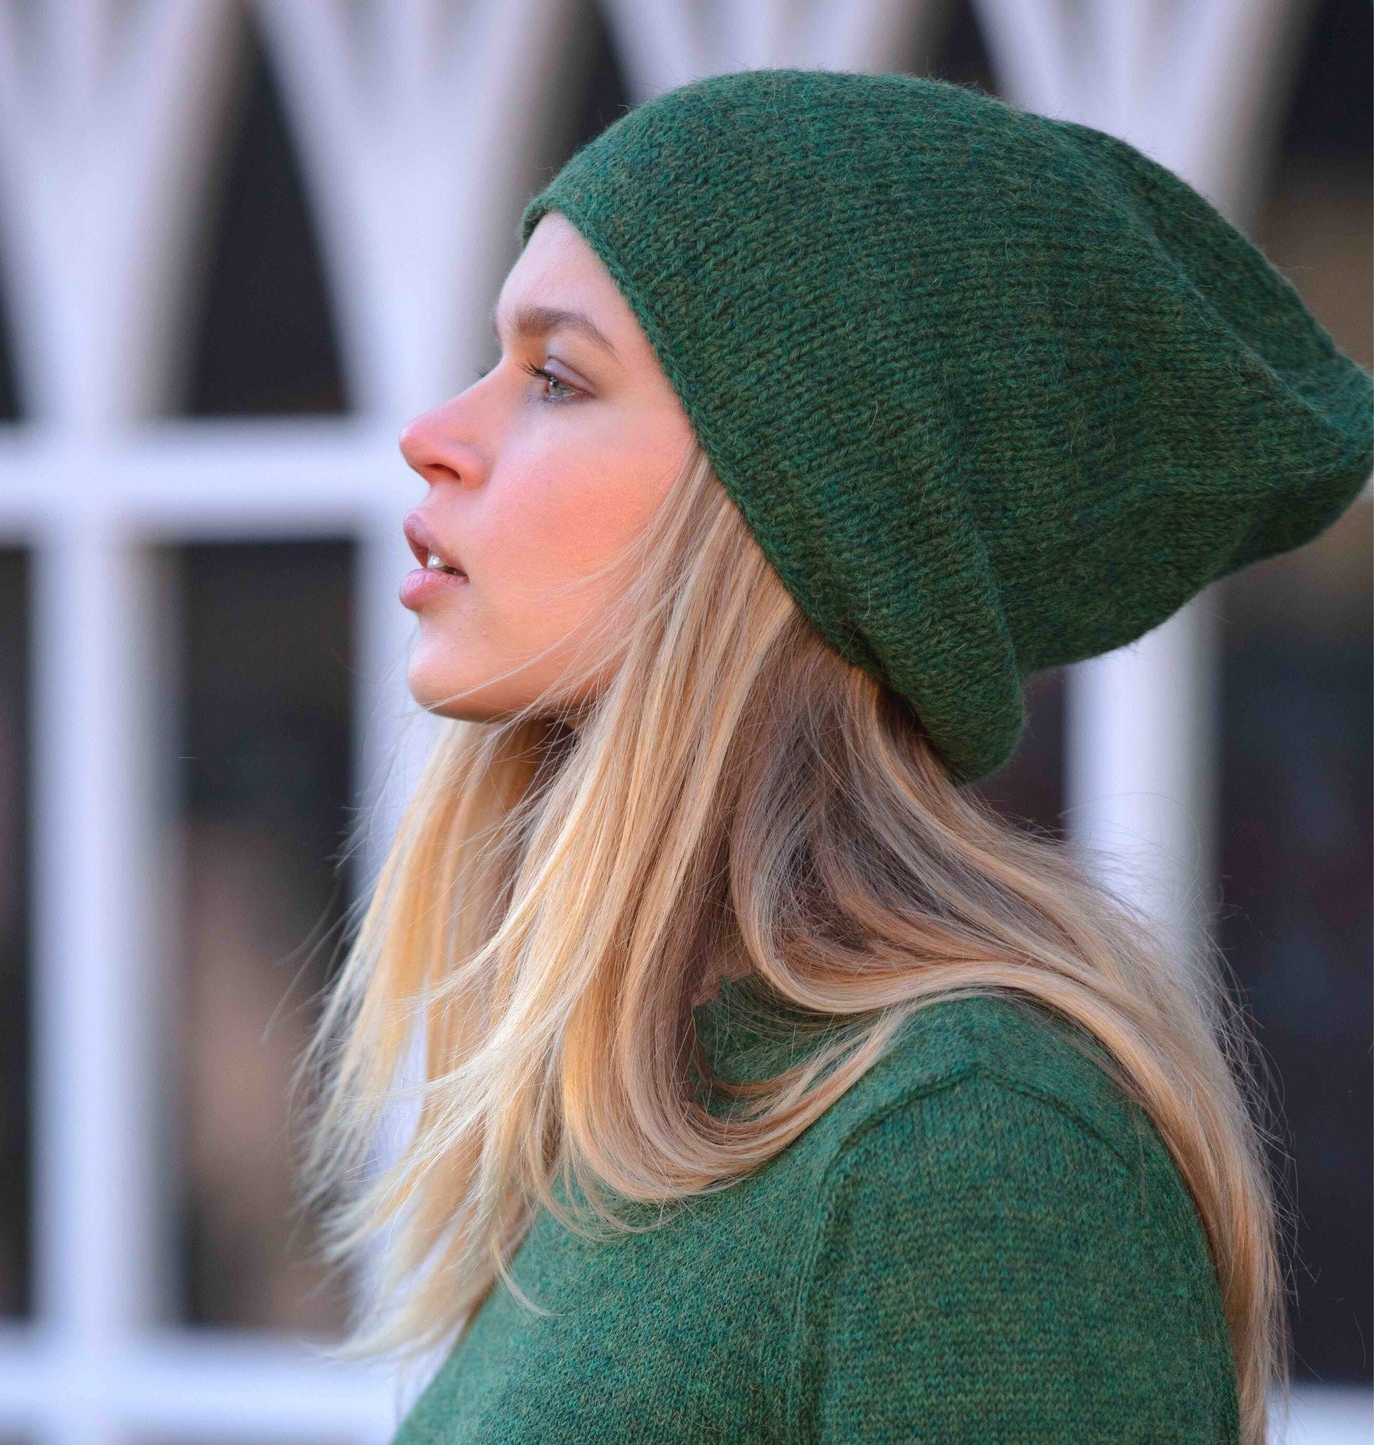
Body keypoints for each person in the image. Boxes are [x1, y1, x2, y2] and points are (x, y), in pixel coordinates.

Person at [294, 70, 1373, 1443]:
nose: (432, 437)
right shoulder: (655, 1114)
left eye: (556, 378)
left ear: (800, 513)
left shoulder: (967, 1149)